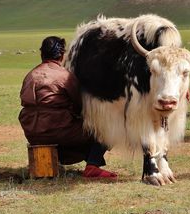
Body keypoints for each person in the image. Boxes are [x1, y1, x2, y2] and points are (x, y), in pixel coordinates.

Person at [19, 36, 117, 179]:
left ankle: (58, 161)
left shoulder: (30, 76)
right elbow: (79, 106)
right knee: (107, 128)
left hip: (33, 134)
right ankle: (92, 165)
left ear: (42, 54)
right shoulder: (65, 76)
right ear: (62, 55)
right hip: (60, 132)